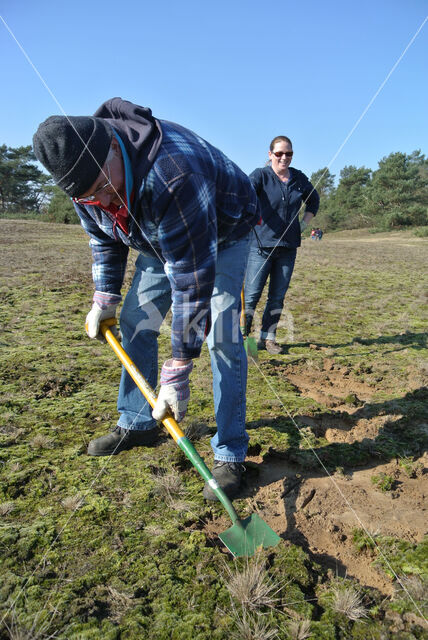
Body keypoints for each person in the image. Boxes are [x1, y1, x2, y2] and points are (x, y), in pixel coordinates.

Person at [33, 97, 259, 500]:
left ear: (113, 148)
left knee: (221, 336)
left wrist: (177, 370)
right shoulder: (84, 179)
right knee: (137, 319)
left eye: (104, 188)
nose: (101, 201)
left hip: (223, 230)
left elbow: (191, 280)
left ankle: (230, 453)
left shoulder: (173, 175)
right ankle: (137, 422)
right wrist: (105, 296)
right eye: (89, 197)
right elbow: (103, 236)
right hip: (158, 232)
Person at [244, 136, 319, 354]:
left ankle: (268, 339)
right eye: (279, 154)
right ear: (270, 155)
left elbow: (314, 200)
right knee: (251, 296)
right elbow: (245, 194)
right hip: (260, 247)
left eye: (288, 154)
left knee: (277, 296)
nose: (284, 158)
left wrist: (304, 224)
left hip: (288, 249)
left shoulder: (299, 178)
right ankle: (242, 337)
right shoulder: (260, 175)